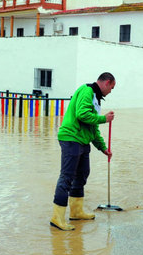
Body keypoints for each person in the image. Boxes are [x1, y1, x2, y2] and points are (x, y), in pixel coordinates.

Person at [50, 72, 116, 231]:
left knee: (82, 174)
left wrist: (103, 148)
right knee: (67, 177)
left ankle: (76, 211)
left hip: (82, 140)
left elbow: (92, 128)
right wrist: (104, 119)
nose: (111, 91)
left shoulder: (96, 97)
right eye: (112, 87)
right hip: (71, 138)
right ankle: (57, 218)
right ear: (106, 83)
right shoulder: (87, 91)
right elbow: (82, 115)